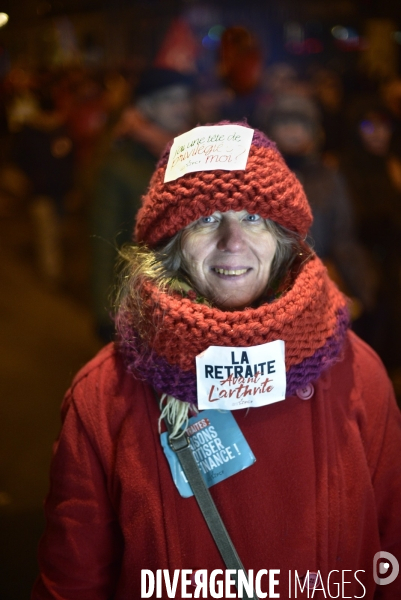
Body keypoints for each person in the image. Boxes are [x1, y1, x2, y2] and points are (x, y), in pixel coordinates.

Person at [32, 122, 401, 599]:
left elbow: (391, 549)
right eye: (205, 220)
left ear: (283, 236)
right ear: (171, 244)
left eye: (252, 216)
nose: (232, 240)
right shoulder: (103, 397)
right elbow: (73, 582)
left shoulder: (358, 373)